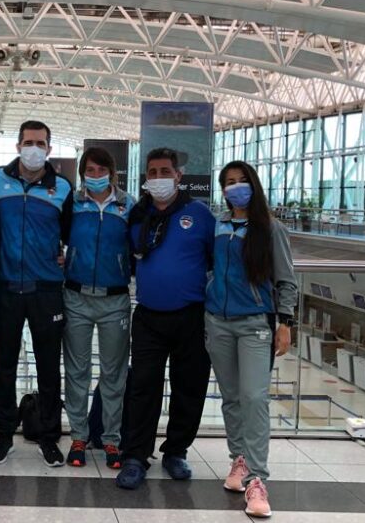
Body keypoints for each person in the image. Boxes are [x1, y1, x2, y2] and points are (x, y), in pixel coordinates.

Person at [116, 147, 216, 489]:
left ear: (178, 176)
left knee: (189, 387)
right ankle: (135, 456)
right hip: (148, 317)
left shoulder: (199, 214)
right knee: (142, 387)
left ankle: (177, 451)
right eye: (152, 172)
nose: (158, 178)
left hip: (191, 316)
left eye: (164, 171)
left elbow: (217, 261)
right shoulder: (138, 215)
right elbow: (128, 258)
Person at [205, 160, 297, 519]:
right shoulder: (219, 225)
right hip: (217, 322)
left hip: (255, 324)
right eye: (229, 182)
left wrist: (285, 322)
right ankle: (238, 461)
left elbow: (286, 278)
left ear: (253, 185)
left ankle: (258, 479)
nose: (236, 187)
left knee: (254, 398)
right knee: (230, 398)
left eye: (242, 181)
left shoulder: (270, 229)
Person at [0, 120, 73, 467]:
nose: (33, 148)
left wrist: (66, 256)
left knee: (49, 367)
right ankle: (4, 435)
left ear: (49, 149)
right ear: (18, 145)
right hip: (7, 288)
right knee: (4, 367)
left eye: (40, 143)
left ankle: (49, 438)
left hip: (46, 291)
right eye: (28, 142)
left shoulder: (63, 188)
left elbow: (71, 232)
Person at [62, 147, 135, 469]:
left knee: (113, 374)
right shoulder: (73, 203)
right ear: (82, 174)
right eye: (88, 171)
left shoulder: (129, 205)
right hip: (76, 298)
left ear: (112, 172)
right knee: (77, 372)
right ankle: (79, 436)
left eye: (99, 170)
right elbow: (56, 236)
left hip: (115, 300)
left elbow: (140, 245)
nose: (94, 176)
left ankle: (111, 440)